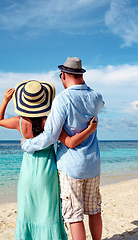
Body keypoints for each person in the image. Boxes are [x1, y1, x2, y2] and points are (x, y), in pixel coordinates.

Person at [0, 79, 97, 240]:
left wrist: (5, 100)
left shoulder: (19, 122)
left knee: (28, 210)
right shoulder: (48, 122)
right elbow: (69, 141)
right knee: (49, 210)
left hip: (28, 173)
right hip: (48, 171)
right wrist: (89, 129)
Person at [21, 57, 105, 240]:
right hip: (93, 163)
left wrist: (28, 145)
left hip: (71, 166)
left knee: (74, 215)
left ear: (64, 75)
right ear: (81, 75)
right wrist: (82, 84)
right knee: (94, 209)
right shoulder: (96, 97)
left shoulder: (62, 99)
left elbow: (50, 136)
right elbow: (100, 103)